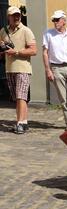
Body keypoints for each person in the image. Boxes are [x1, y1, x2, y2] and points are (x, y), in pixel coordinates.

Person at [43, 10, 67, 128]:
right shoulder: (48, 33)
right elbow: (45, 53)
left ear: (64, 21)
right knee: (62, 97)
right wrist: (48, 70)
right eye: (53, 20)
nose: (55, 22)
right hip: (56, 68)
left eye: (57, 19)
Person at [0, 6, 37, 134]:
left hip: (23, 68)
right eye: (14, 15)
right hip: (9, 69)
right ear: (8, 17)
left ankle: (20, 123)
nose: (16, 17)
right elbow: (2, 47)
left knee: (21, 97)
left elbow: (33, 50)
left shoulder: (26, 31)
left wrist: (15, 52)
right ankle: (24, 123)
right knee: (17, 98)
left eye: (18, 15)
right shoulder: (3, 31)